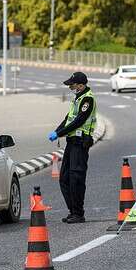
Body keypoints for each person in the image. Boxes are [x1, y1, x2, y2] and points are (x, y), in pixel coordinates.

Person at [48, 72, 97, 224]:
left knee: (76, 178)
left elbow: (79, 121)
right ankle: (73, 211)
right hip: (71, 142)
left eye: (72, 85)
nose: (70, 87)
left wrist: (60, 133)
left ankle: (78, 213)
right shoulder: (78, 98)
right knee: (64, 178)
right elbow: (68, 119)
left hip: (81, 142)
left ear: (81, 85)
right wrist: (57, 131)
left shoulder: (87, 99)